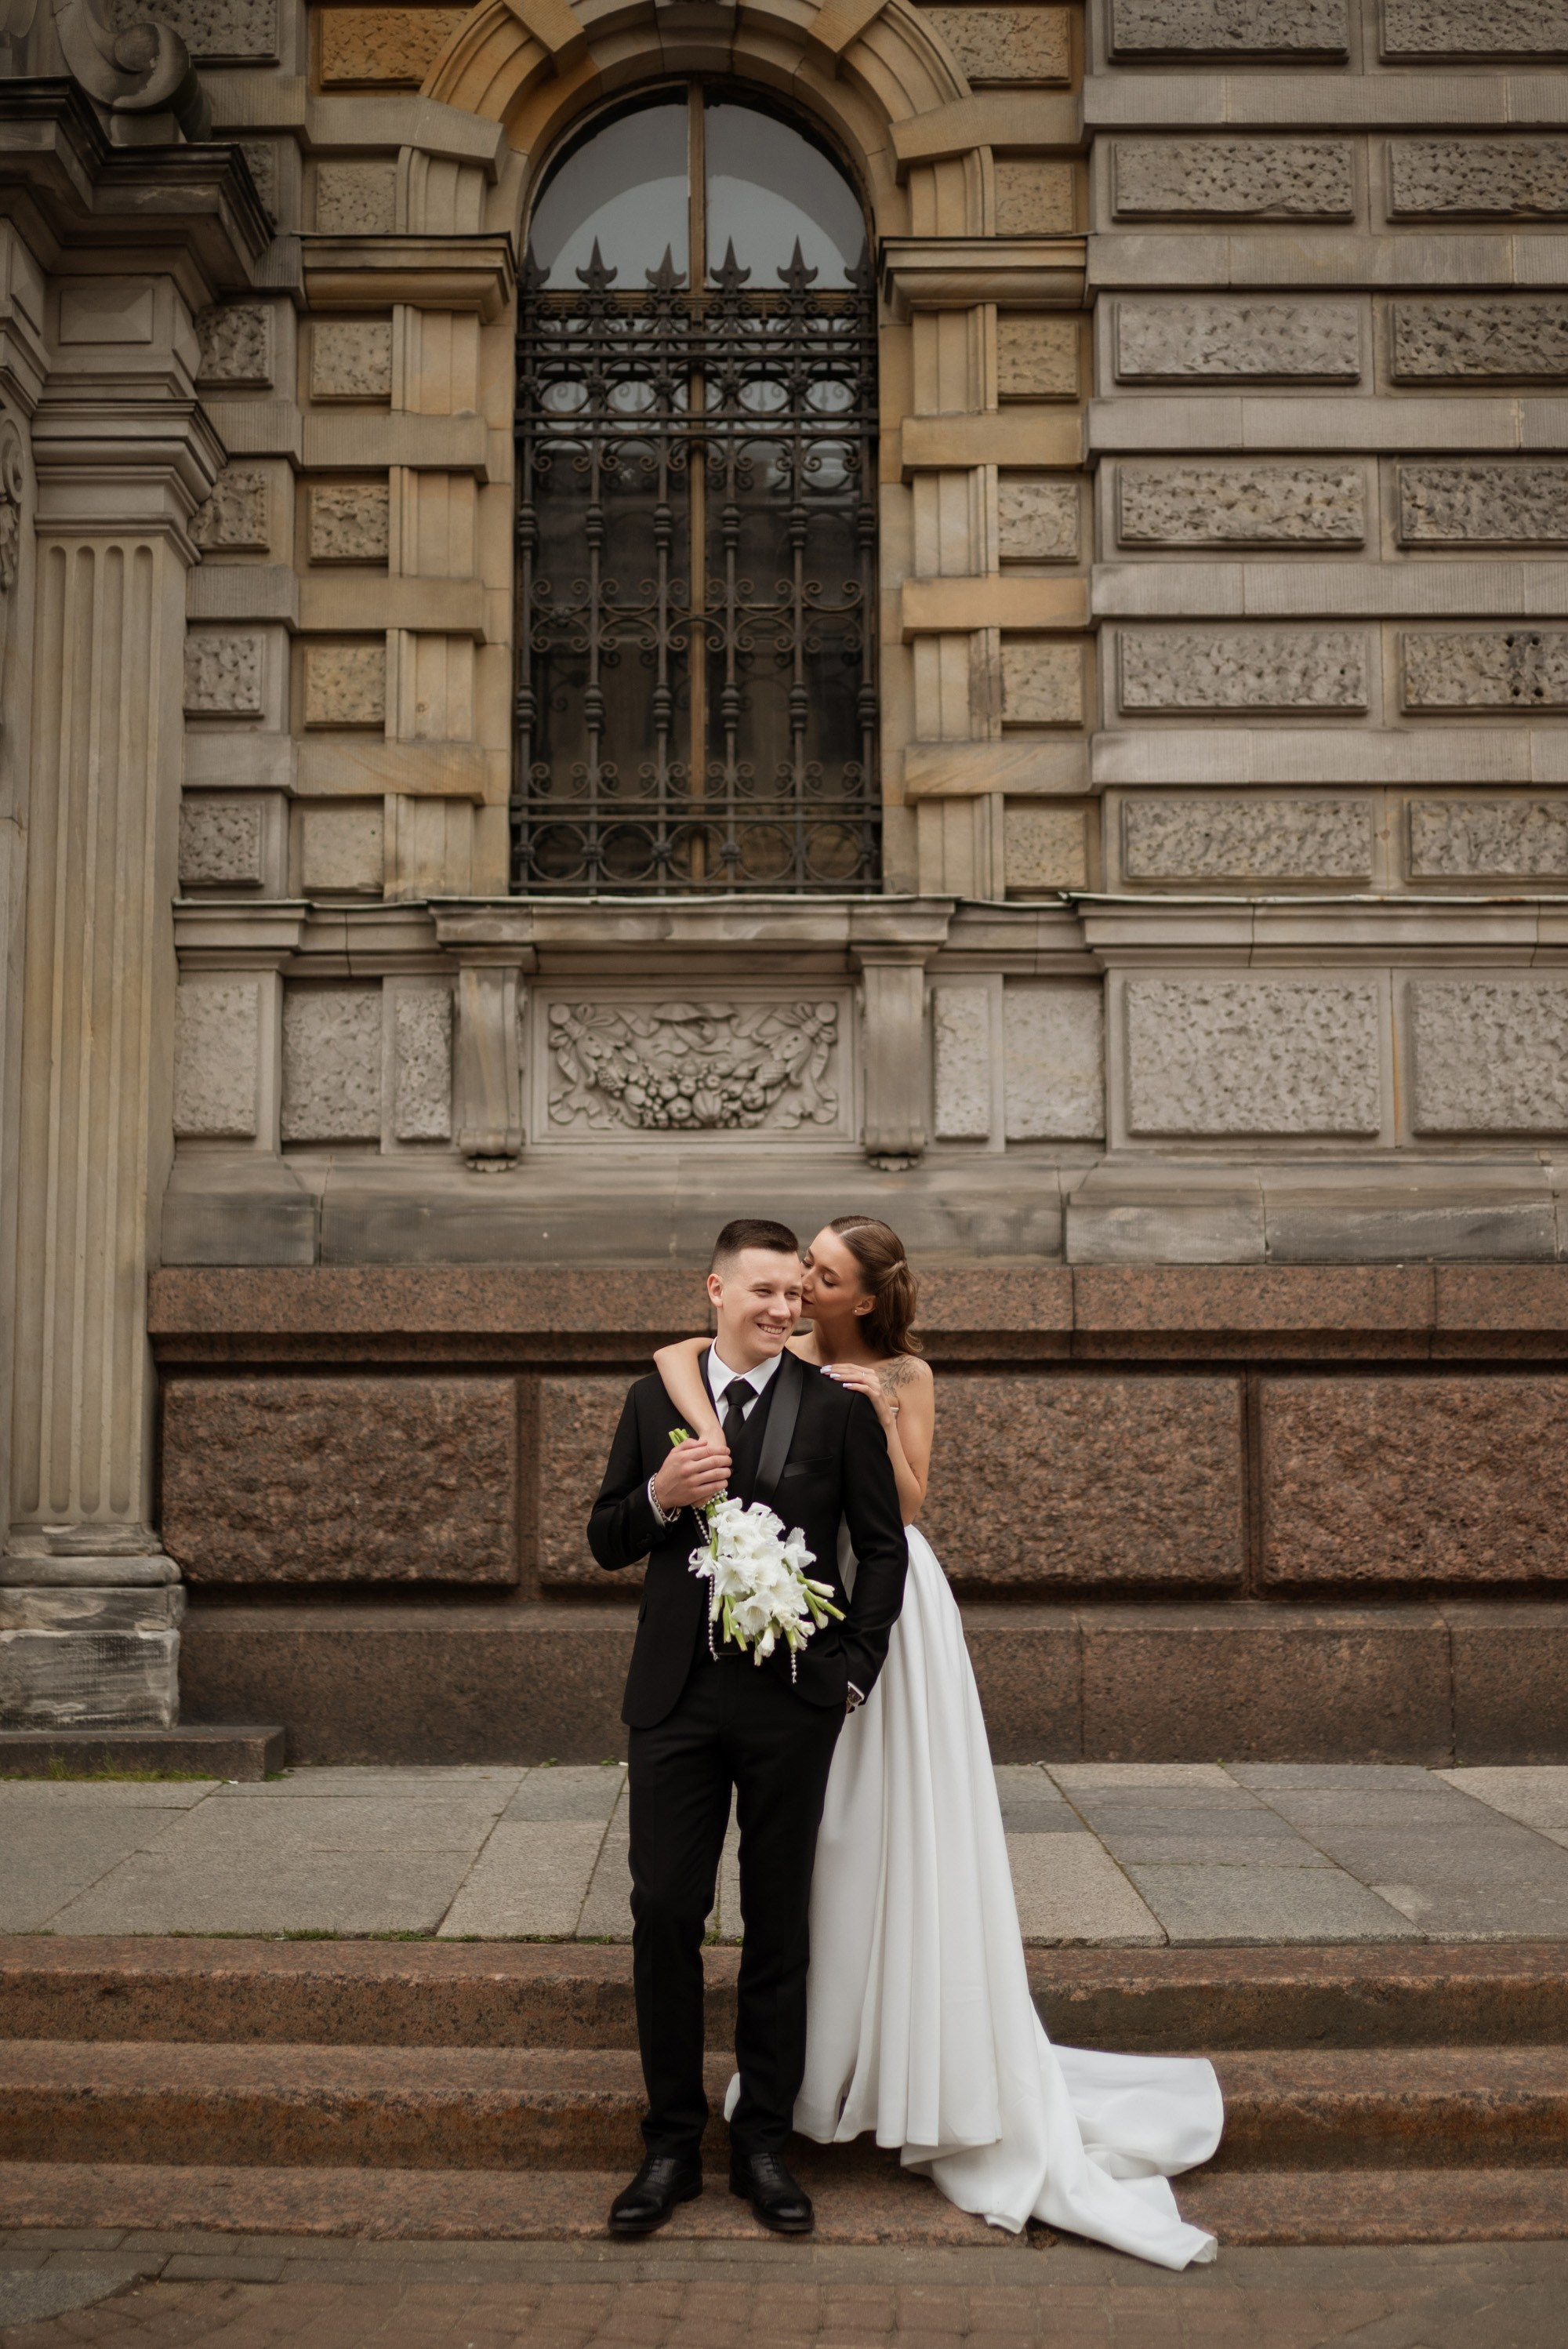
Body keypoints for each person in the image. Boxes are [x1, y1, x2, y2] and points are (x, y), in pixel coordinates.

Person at [654, 1214, 1225, 2270]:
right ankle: (822, 2063)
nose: (801, 1284)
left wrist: (873, 1416)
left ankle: (898, 2056)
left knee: (884, 1830)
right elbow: (675, 1358)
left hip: (879, 1603)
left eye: (822, 1275)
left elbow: (906, 1508)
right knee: (821, 1851)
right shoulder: (779, 1346)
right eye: (798, 1268)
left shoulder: (903, 1375)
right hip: (773, 1597)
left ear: (863, 1298)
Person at [587, 1216, 909, 2241]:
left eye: (794, 1293)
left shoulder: (837, 1407)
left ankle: (764, 2142)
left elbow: (883, 1548)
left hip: (792, 1704)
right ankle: (671, 2146)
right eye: (762, 1290)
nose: (782, 1307)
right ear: (716, 1291)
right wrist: (657, 1495)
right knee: (663, 1910)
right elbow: (604, 1537)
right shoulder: (653, 1402)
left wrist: (854, 1673)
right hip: (674, 1701)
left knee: (779, 1925)